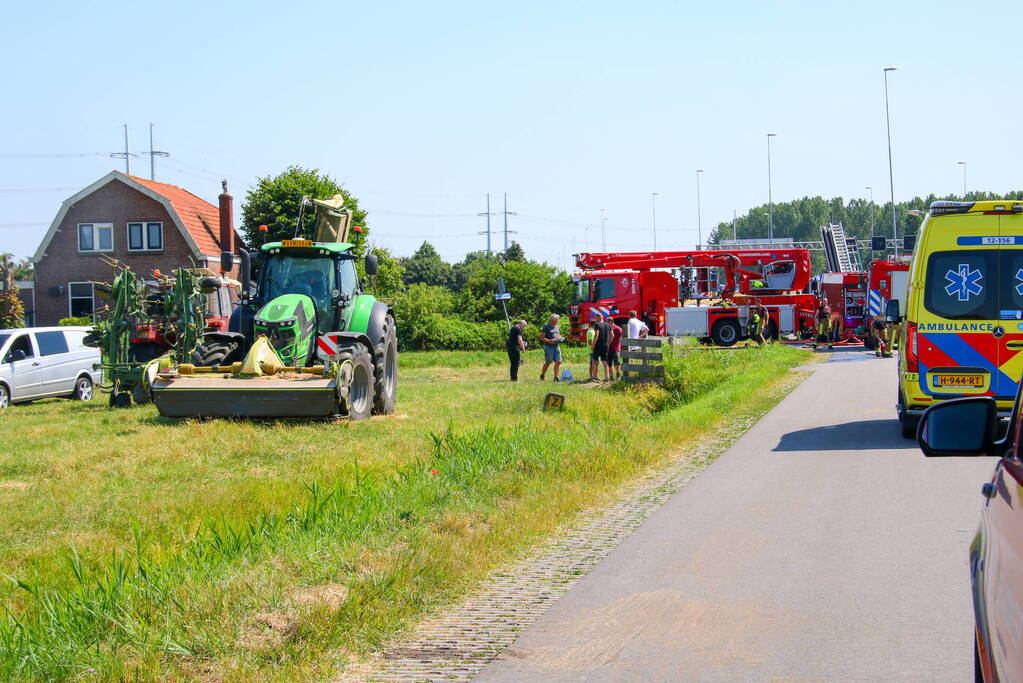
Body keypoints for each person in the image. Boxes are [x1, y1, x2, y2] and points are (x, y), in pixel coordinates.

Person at [539, 313, 564, 381]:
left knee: (558, 361)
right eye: (556, 319)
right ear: (552, 320)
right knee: (548, 362)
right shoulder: (546, 327)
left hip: (556, 346)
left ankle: (556, 377)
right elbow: (541, 337)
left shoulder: (558, 326)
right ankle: (542, 375)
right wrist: (549, 341)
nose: (557, 321)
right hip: (549, 347)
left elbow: (559, 335)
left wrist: (560, 338)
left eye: (557, 319)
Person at [590, 313, 611, 381]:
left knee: (594, 360)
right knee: (604, 361)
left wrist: (593, 344)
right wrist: (608, 342)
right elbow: (612, 335)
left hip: (598, 345)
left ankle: (595, 376)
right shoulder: (608, 325)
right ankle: (607, 377)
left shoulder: (597, 324)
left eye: (595, 317)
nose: (595, 319)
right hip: (606, 345)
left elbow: (596, 335)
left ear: (598, 317)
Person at [606, 314, 623, 380]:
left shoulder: (618, 329)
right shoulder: (606, 329)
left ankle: (618, 373)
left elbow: (621, 338)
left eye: (607, 322)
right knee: (609, 364)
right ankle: (611, 377)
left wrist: (620, 345)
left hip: (616, 348)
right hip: (608, 348)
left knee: (616, 363)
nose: (606, 323)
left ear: (610, 322)